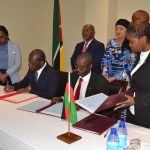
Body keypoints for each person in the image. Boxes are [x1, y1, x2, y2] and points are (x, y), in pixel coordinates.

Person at [115, 10, 150, 128]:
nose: (129, 45)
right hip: (134, 115)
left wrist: (136, 100)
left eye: (132, 42)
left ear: (143, 39)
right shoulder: (139, 55)